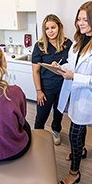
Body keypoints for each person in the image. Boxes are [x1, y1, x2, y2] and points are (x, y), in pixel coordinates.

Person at [56, 0, 92, 184]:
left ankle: (74, 173)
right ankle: (81, 151)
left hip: (87, 98)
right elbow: (72, 66)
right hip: (75, 95)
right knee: (77, 129)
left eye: (85, 20)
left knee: (74, 133)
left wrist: (75, 76)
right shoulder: (78, 43)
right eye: (79, 19)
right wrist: (61, 68)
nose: (81, 23)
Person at [31, 14, 72, 145]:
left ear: (59, 27)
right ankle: (37, 137)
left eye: (53, 27)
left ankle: (56, 130)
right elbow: (35, 71)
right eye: (47, 28)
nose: (50, 31)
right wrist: (39, 91)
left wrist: (61, 66)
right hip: (46, 88)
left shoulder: (68, 44)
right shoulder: (40, 46)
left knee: (58, 113)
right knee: (41, 116)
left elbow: (73, 65)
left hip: (63, 87)